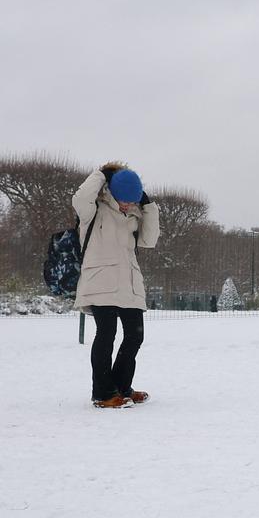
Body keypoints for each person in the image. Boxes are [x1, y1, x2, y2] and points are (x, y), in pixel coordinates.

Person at [73, 162, 160, 408]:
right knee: (106, 335)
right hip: (100, 282)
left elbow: (149, 240)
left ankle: (122, 387)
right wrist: (102, 174)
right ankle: (102, 393)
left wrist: (147, 204)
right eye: (123, 199)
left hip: (129, 283)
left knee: (135, 337)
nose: (126, 205)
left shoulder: (135, 213)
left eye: (131, 200)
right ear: (111, 191)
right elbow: (79, 198)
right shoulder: (93, 210)